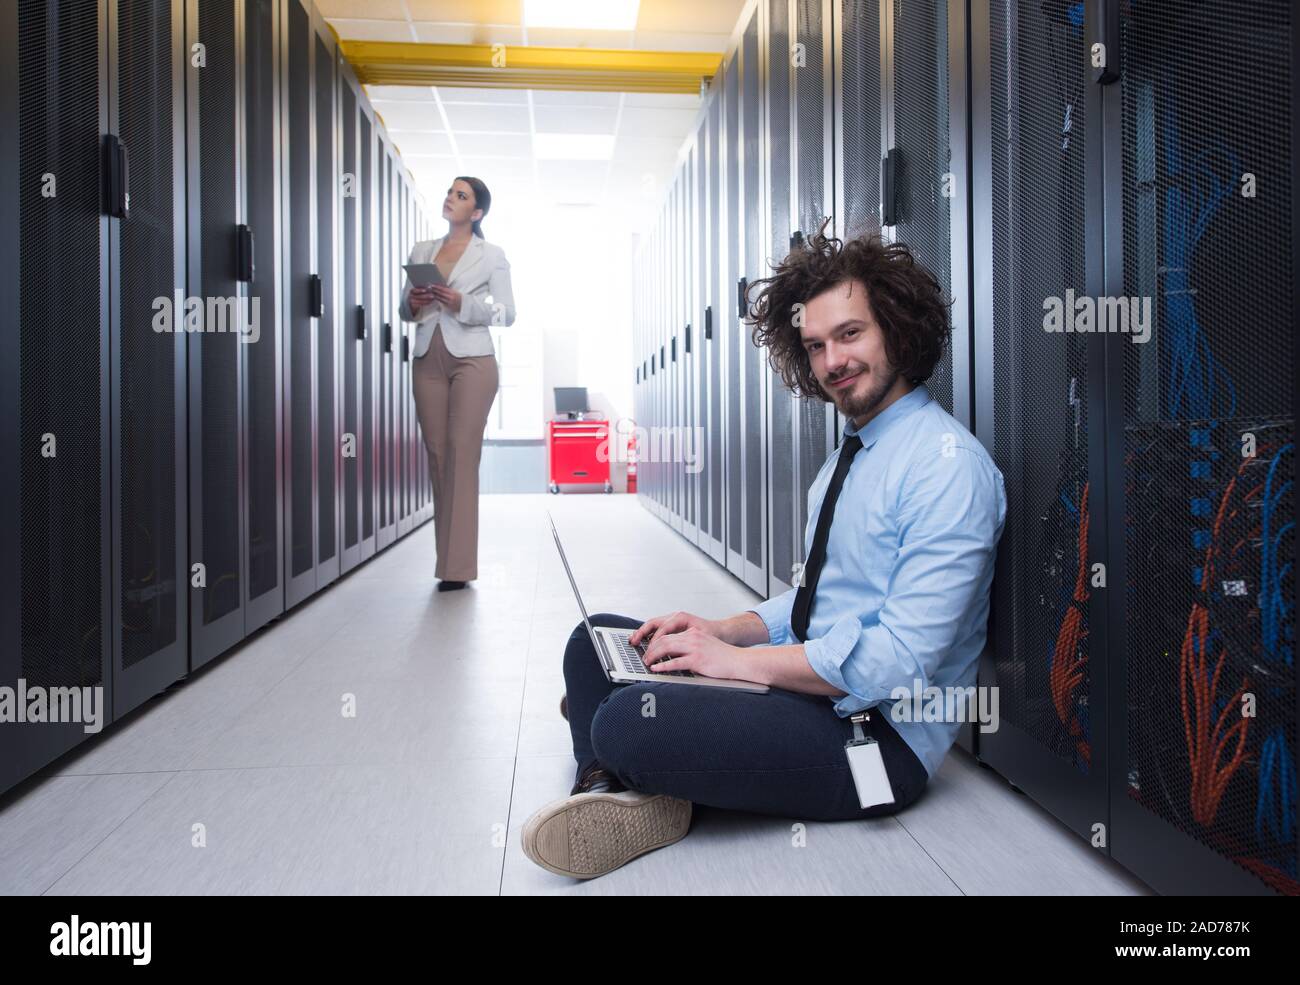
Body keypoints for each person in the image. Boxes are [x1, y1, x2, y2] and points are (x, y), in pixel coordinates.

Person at [521, 221, 1007, 880]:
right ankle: (618, 786)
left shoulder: (949, 467)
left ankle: (616, 756)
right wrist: (722, 629)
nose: (833, 361)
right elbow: (820, 598)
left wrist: (735, 665)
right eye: (815, 345)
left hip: (872, 740)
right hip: (812, 693)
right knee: (594, 640)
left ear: (897, 325)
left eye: (850, 334)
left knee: (628, 715)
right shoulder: (855, 451)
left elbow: (899, 660)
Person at [399, 177, 516, 591]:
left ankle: (456, 569)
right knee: (438, 458)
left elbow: (506, 313)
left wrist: (461, 303)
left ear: (477, 212)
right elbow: (406, 309)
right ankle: (448, 561)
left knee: (461, 456)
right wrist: (411, 304)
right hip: (428, 356)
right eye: (450, 192)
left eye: (461, 196)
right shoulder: (422, 251)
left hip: (473, 360)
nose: (451, 199)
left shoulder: (491, 255)